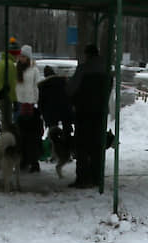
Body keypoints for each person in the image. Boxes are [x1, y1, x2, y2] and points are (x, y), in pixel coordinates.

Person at [67, 44, 110, 188]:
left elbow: (71, 89)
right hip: (100, 113)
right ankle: (97, 177)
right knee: (97, 146)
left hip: (83, 112)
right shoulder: (107, 70)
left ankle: (83, 178)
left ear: (87, 55)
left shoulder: (83, 69)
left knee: (82, 147)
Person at [15, 44, 43, 172]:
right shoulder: (18, 69)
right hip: (20, 103)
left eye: (23, 56)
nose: (21, 58)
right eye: (20, 56)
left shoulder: (34, 70)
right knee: (21, 135)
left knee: (32, 135)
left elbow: (37, 86)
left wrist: (36, 101)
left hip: (31, 104)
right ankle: (23, 160)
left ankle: (33, 161)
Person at [38, 65, 73, 132]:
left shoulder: (42, 85)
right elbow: (69, 94)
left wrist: (41, 112)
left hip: (50, 112)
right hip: (64, 109)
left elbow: (41, 102)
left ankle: (53, 139)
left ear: (45, 75)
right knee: (67, 126)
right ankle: (68, 139)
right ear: (53, 73)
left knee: (52, 128)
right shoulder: (63, 81)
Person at [0, 37, 22, 125]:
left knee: (5, 122)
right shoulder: (10, 65)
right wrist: (15, 100)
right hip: (7, 98)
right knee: (8, 124)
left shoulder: (2, 63)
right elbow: (12, 84)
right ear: (15, 54)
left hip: (1, 96)